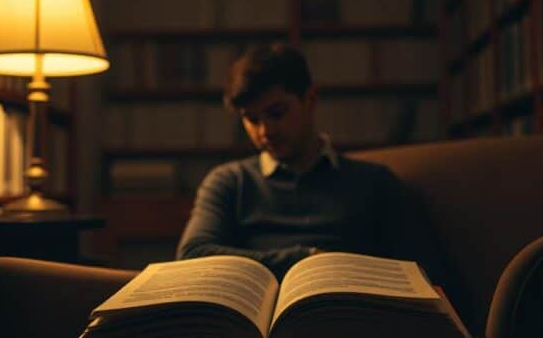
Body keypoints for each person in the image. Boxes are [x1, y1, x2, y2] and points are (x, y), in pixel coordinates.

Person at [176, 43, 440, 280]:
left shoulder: (376, 182)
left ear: (310, 100)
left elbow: (424, 270)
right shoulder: (230, 182)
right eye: (252, 119)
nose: (265, 131)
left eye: (277, 113)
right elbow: (193, 253)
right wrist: (305, 259)